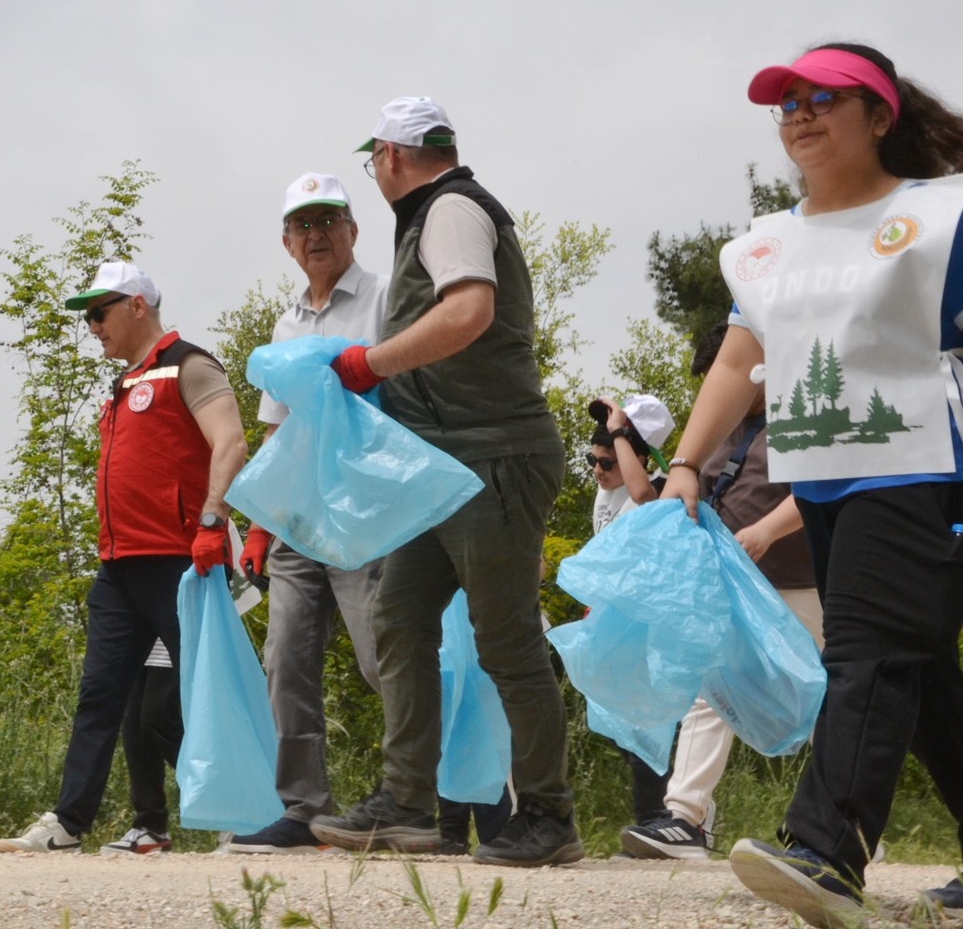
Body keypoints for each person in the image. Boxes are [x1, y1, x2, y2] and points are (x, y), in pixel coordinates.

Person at [663, 44, 963, 926]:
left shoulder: (941, 215)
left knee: (866, 652)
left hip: (920, 468)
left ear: (881, 118)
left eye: (825, 97)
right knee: (920, 672)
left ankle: (827, 853)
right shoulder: (762, 248)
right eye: (786, 102)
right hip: (822, 482)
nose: (799, 113)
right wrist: (687, 465)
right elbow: (740, 358)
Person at [310, 96, 581, 866]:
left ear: (392, 158)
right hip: (442, 463)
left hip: (492, 458)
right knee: (398, 616)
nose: (377, 174)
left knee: (506, 641)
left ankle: (549, 819)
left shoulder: (453, 209)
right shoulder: (431, 216)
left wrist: (368, 362)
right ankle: (405, 806)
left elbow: (467, 312)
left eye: (374, 162)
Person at [0, 261, 247, 853]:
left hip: (181, 562)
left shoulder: (189, 364)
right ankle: (68, 822)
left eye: (98, 312)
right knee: (101, 696)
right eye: (86, 317)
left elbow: (231, 441)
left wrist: (214, 519)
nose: (91, 327)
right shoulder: (125, 383)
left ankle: (244, 814)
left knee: (206, 691)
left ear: (136, 305)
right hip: (119, 566)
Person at [226, 173, 388, 854]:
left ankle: (425, 795)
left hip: (367, 507)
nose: (316, 234)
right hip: (300, 519)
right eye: (303, 224)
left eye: (329, 219)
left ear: (353, 229)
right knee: (285, 658)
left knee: (386, 658)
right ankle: (302, 808)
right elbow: (278, 429)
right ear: (288, 243)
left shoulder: (386, 297)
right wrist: (261, 521)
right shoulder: (286, 322)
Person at [620, 324, 821, 862]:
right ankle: (688, 818)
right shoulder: (721, 434)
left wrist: (765, 532)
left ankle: (847, 832)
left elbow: (822, 489)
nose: (716, 392)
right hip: (737, 589)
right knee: (712, 690)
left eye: (720, 377)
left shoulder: (807, 410)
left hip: (803, 589)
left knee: (843, 700)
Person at [584, 394, 682, 837]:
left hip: (648, 626)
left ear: (638, 456)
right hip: (611, 623)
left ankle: (660, 815)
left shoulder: (657, 489)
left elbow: (643, 494)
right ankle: (677, 802)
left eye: (608, 462)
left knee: (645, 721)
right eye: (594, 460)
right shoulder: (606, 493)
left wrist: (622, 431)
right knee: (616, 725)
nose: (598, 470)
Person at [100, 640, 179, 855]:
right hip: (139, 640)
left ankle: (233, 807)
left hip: (175, 633)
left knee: (160, 720)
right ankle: (151, 827)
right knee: (135, 727)